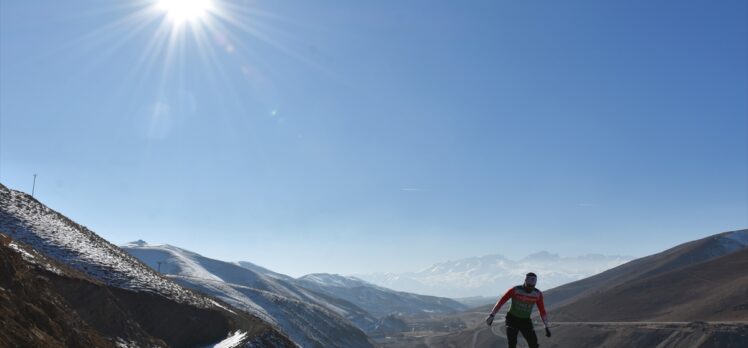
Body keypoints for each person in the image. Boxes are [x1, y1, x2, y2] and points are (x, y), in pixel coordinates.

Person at [485, 272, 551, 348]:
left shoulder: (537, 294)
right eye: (529, 285)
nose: (530, 288)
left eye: (533, 286)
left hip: (525, 321)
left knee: (534, 344)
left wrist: (546, 326)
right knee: (512, 344)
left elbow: (542, 310)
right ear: (525, 282)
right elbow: (501, 301)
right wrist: (492, 315)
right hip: (512, 320)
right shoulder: (515, 290)